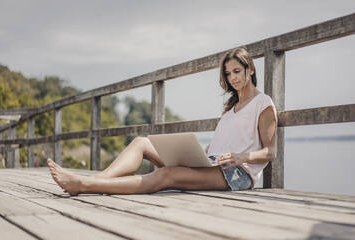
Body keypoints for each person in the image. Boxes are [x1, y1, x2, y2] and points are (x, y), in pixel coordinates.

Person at [47, 47, 277, 196]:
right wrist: (199, 153)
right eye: (228, 74)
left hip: (236, 174)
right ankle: (95, 180)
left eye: (237, 71)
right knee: (140, 143)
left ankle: (84, 185)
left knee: (166, 175)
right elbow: (222, 144)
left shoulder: (262, 103)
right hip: (211, 164)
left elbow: (270, 151)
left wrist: (241, 157)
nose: (233, 78)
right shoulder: (230, 109)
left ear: (251, 69)